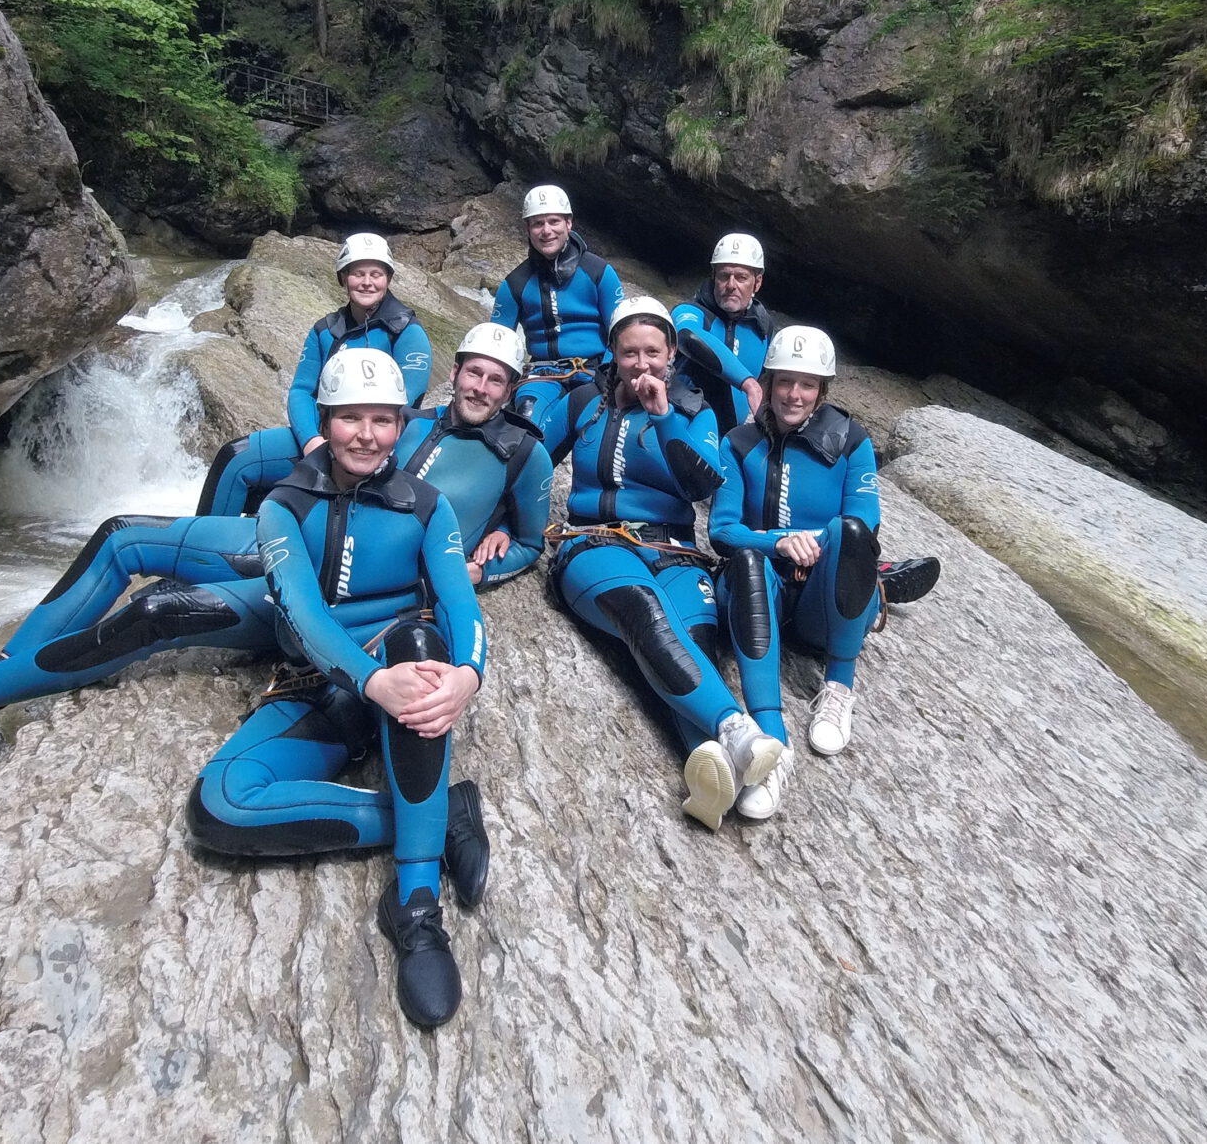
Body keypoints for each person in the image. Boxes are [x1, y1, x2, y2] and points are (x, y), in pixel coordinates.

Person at [0, 326, 547, 791]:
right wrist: (290, 452)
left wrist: (492, 557)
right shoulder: (408, 418)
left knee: (159, 610)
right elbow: (314, 445)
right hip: (294, 537)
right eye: (473, 371)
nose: (481, 385)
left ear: (514, 388)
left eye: (496, 378)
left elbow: (534, 540)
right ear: (455, 373)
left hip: (367, 578)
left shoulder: (521, 454)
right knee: (121, 535)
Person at [186, 349, 486, 1028]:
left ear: (401, 425)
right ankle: (442, 813)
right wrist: (372, 681)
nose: (366, 434)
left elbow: (462, 606)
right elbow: (303, 614)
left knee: (424, 641)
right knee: (219, 807)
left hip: (401, 680)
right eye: (351, 417)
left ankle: (415, 904)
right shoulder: (283, 507)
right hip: (325, 686)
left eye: (383, 420)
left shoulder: (427, 506)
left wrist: (468, 675)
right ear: (326, 419)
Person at [539, 296, 788, 831]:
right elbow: (531, 458)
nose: (641, 364)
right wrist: (499, 526)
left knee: (694, 644)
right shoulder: (585, 401)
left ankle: (713, 775)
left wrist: (663, 417)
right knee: (647, 616)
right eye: (629, 353)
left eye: (653, 351)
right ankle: (737, 730)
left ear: (672, 353)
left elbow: (701, 485)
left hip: (675, 549)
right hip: (595, 543)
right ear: (612, 352)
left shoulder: (697, 412)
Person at [710, 326, 940, 796]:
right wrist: (778, 542)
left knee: (851, 535)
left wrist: (812, 540)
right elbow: (721, 530)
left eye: (807, 384)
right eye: (784, 382)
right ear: (768, 382)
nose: (794, 394)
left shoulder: (851, 442)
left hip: (818, 598)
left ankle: (838, 685)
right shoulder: (737, 442)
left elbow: (863, 519)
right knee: (749, 558)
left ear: (822, 391)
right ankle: (772, 737)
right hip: (763, 594)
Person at [287, 233, 433, 453]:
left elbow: (405, 404)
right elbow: (301, 391)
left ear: (388, 279)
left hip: (380, 446)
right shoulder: (324, 331)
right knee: (240, 458)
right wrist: (311, 441)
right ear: (344, 277)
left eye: (376, 274)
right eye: (358, 274)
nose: (367, 283)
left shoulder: (407, 332)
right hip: (323, 440)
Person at [490, 185, 625, 420]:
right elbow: (495, 344)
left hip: (595, 371)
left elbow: (622, 332)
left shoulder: (599, 273)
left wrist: (610, 372)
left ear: (568, 224)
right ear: (528, 229)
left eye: (554, 222)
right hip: (542, 373)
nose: (546, 231)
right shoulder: (515, 284)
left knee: (591, 424)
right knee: (527, 417)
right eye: (537, 224)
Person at [672, 232, 774, 436]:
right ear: (713, 277)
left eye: (742, 277)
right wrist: (747, 383)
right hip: (681, 428)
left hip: (728, 440)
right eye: (724, 275)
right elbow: (689, 336)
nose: (731, 285)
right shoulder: (691, 312)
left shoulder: (763, 328)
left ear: (758, 282)